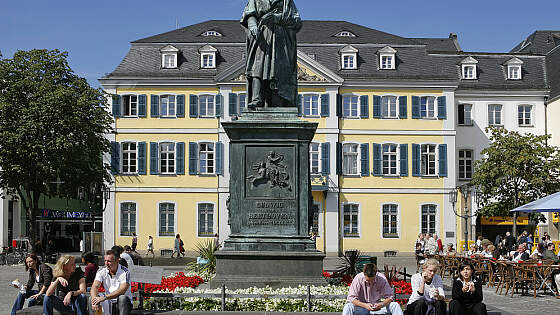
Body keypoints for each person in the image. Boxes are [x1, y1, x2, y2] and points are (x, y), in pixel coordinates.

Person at [241, 0, 302, 109]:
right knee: (257, 67)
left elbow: (296, 20)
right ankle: (257, 99)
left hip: (281, 39)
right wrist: (252, 24)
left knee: (278, 70)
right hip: (261, 36)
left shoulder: (286, 1)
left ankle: (277, 100)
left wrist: (277, 18)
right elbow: (250, 14)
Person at [90, 249, 133, 315]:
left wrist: (105, 297)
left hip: (122, 302)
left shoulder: (125, 272)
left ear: (117, 261)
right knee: (92, 298)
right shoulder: (102, 271)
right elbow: (95, 286)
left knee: (122, 298)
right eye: (105, 261)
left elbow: (122, 290)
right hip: (108, 300)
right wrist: (94, 300)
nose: (106, 263)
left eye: (109, 261)